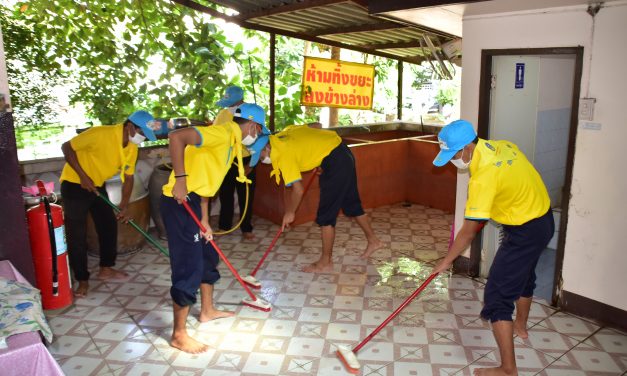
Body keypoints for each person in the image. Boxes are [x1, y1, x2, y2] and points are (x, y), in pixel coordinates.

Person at [432, 119, 554, 376]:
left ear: (467, 147)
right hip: (542, 219)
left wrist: (446, 261)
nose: (453, 161)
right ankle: (520, 326)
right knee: (523, 275)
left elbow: (468, 232)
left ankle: (508, 369)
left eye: (454, 154)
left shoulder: (483, 178)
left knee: (497, 297)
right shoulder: (501, 145)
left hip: (525, 229)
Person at [160, 103, 265, 354]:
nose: (257, 137)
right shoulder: (222, 133)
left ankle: (206, 311)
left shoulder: (231, 143)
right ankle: (179, 334)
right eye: (259, 132)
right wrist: (181, 180)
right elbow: (176, 136)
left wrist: (205, 219)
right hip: (180, 202)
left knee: (208, 257)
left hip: (196, 201)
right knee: (189, 266)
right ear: (253, 126)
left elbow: (207, 184)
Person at [256, 124, 384, 273]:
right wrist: (319, 157)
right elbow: (314, 127)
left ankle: (325, 261)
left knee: (325, 216)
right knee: (351, 204)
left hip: (335, 161)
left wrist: (290, 212)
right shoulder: (284, 133)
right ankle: (374, 241)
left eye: (259, 157)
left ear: (266, 149)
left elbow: (298, 190)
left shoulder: (283, 155)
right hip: (342, 152)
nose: (260, 161)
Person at [60, 110, 157, 298]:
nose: (142, 138)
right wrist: (83, 176)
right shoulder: (99, 133)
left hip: (96, 185)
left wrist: (124, 205)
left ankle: (106, 268)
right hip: (74, 184)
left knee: (108, 226)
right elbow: (66, 147)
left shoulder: (131, 147)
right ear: (130, 126)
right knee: (77, 235)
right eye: (142, 133)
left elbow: (128, 179)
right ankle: (82, 279)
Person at [215, 86, 263, 240]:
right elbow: (216, 134)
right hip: (228, 159)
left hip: (248, 158)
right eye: (227, 104)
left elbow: (261, 138)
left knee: (246, 195)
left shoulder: (251, 113)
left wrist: (252, 164)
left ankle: (246, 228)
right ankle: (224, 225)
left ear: (240, 101)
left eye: (231, 104)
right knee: (225, 193)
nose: (229, 107)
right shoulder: (223, 114)